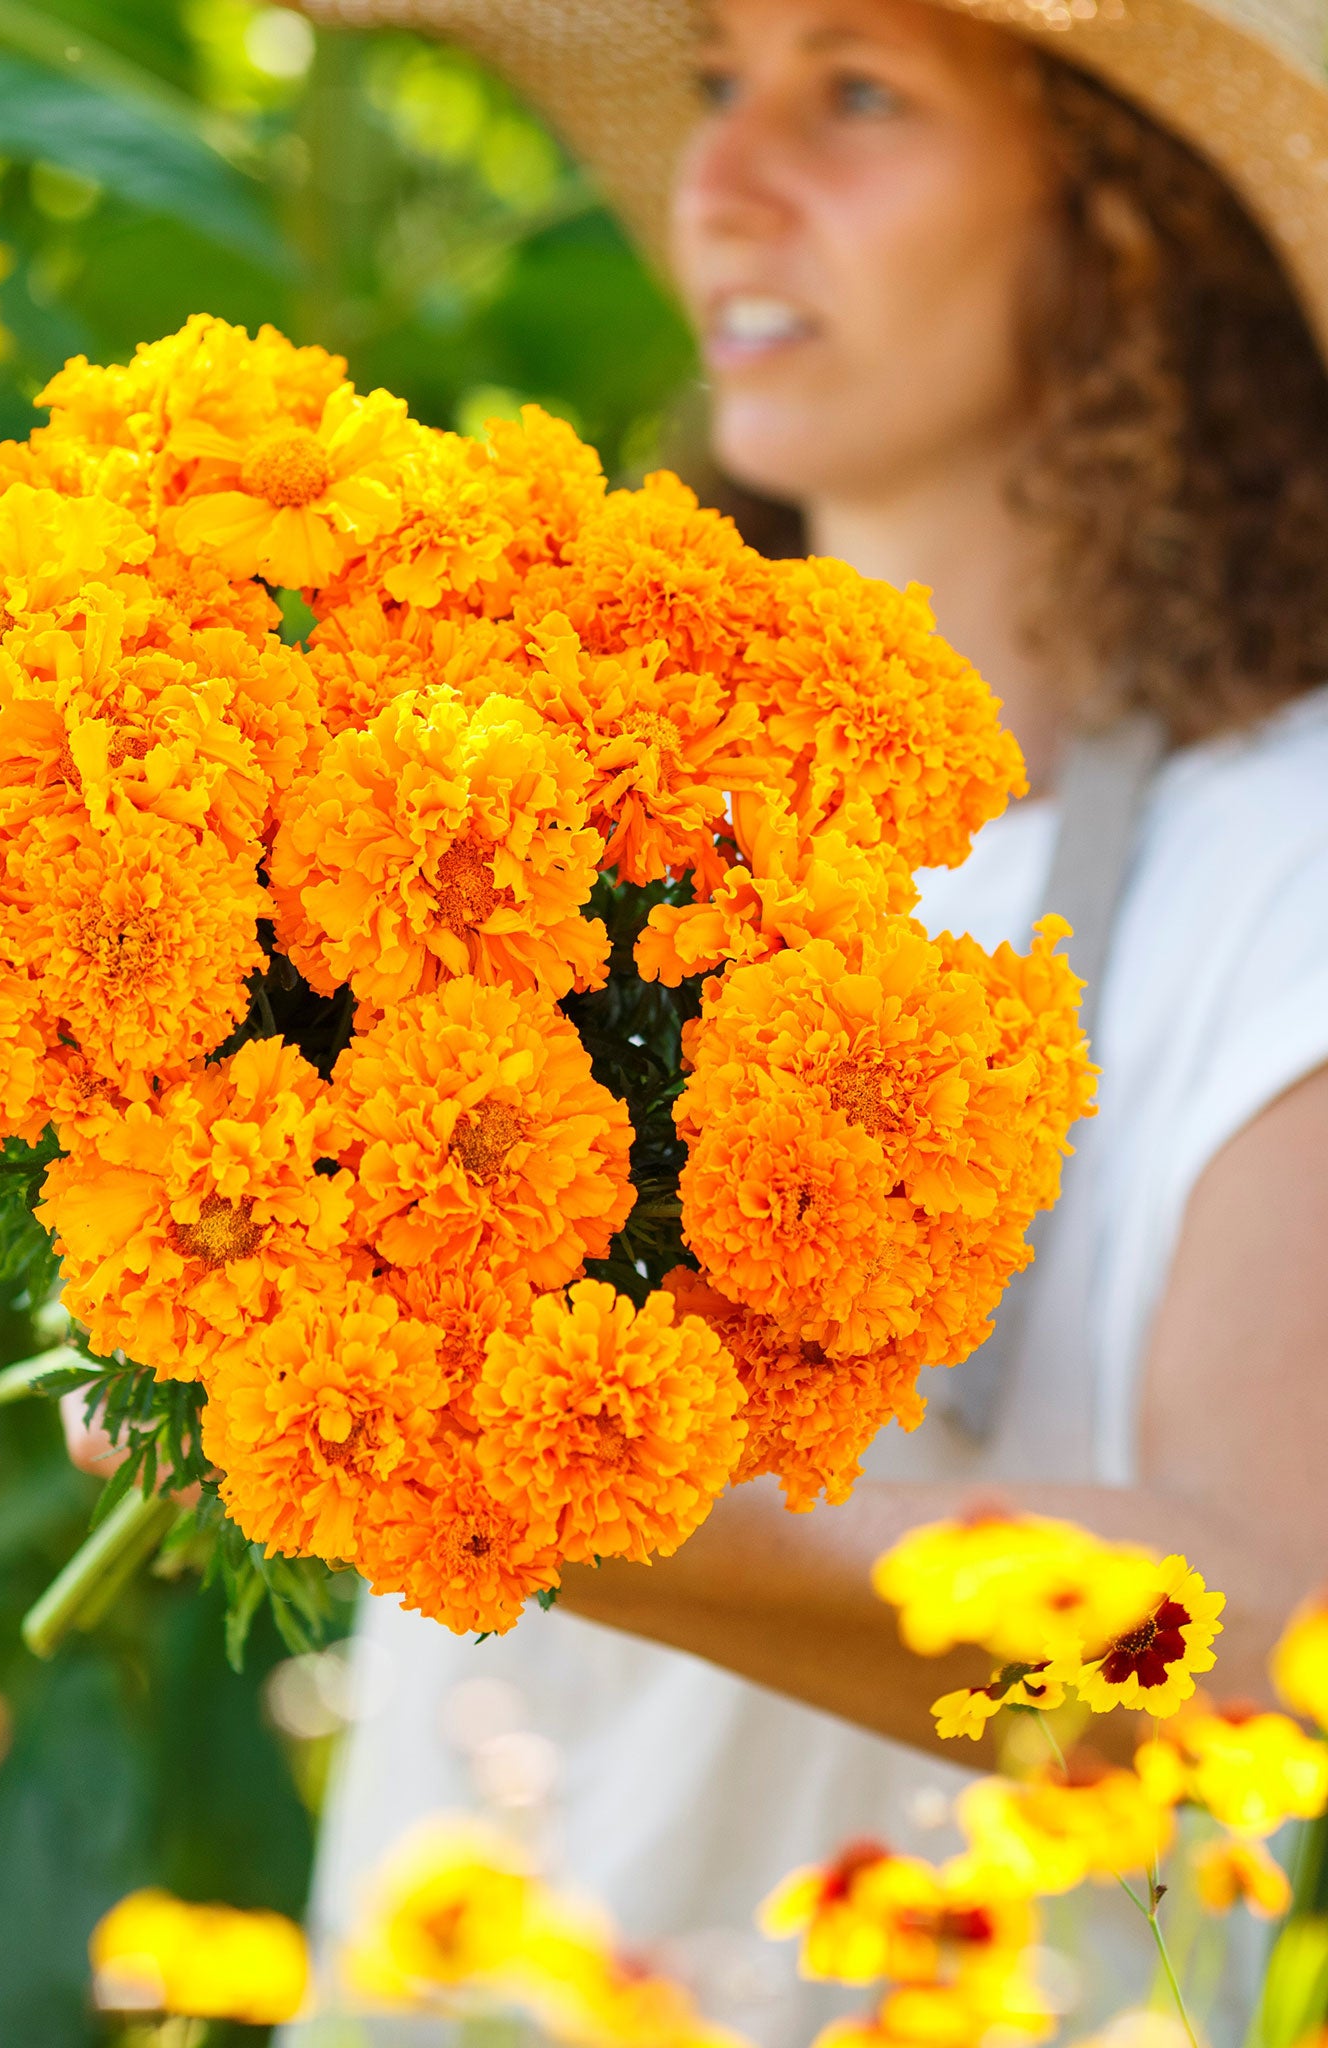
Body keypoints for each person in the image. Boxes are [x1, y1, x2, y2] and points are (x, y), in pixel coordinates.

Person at [265, 0, 1328, 2039]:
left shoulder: (1288, 855)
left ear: (1127, 222)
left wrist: (504, 1466)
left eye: (856, 93)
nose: (721, 179)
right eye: (715, 81)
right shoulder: (533, 803)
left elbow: (1255, 1639)